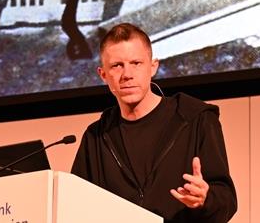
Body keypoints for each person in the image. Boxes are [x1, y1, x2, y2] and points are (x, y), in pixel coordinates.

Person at [71, 23, 237, 223]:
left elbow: (227, 200)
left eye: (136, 63)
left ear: (153, 67)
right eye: (117, 66)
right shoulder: (96, 136)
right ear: (103, 74)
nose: (127, 75)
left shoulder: (195, 119)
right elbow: (75, 205)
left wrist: (205, 199)